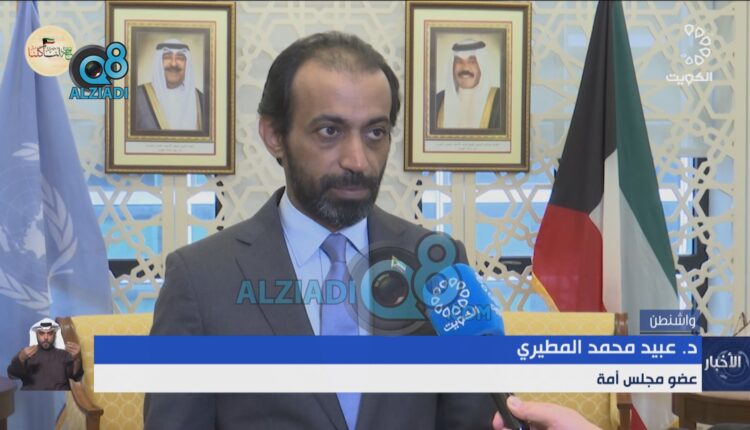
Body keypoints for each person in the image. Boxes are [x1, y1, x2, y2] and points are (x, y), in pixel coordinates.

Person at [144, 31, 596, 430]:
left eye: (375, 133)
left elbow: (477, 420)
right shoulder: (200, 279)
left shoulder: (437, 263)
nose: (357, 160)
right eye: (329, 131)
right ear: (274, 135)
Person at [133, 38, 206, 132]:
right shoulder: (136, 97)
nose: (174, 63)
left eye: (180, 58)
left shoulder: (201, 100)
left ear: (187, 64)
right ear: (158, 62)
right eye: (167, 57)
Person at [435, 38, 504, 131]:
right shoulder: (438, 100)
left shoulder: (500, 100)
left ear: (482, 65)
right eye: (459, 61)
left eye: (472, 61)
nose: (465, 67)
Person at [6, 318, 83, 391]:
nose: (46, 337)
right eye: (41, 333)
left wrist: (77, 359)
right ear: (36, 335)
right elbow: (12, 375)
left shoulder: (64, 355)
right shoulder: (26, 354)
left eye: (50, 333)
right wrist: (21, 358)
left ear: (55, 335)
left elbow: (76, 376)